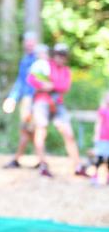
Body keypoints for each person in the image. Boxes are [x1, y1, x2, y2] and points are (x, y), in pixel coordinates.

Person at [26, 43, 88, 178]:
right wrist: (43, 85)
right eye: (58, 55)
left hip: (57, 103)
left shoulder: (65, 70)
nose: (61, 58)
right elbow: (31, 78)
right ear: (54, 55)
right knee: (41, 131)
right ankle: (43, 164)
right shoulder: (44, 65)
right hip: (42, 102)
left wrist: (51, 85)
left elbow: (64, 86)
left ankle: (77, 165)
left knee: (68, 133)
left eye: (63, 56)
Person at [1, 32, 38, 168]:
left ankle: (20, 159)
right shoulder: (24, 60)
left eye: (31, 43)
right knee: (28, 130)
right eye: (26, 43)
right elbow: (20, 82)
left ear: (35, 43)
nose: (28, 45)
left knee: (29, 129)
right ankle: (38, 159)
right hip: (26, 99)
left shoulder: (39, 60)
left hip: (35, 100)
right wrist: (12, 98)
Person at [91, 92, 109, 185]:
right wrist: (96, 136)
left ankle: (107, 177)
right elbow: (98, 123)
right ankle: (95, 176)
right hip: (102, 138)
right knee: (99, 158)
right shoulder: (102, 111)